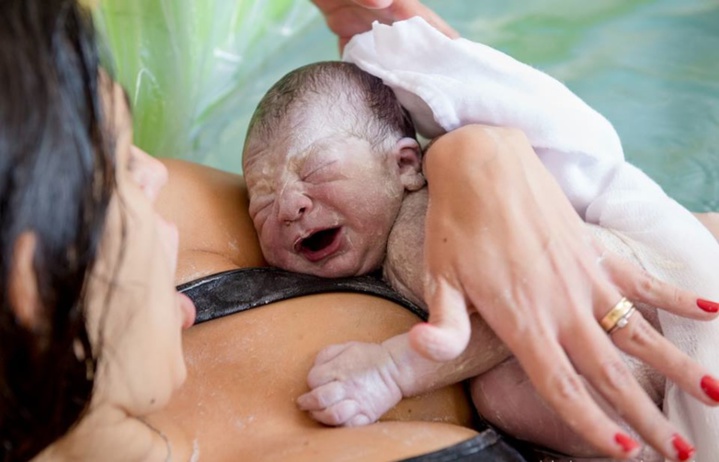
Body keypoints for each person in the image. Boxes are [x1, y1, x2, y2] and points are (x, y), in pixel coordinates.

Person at [241, 60, 719, 460]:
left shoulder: (421, 228)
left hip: (653, 362)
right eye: (261, 200)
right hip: (647, 386)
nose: (288, 206)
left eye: (316, 169)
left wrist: (391, 370)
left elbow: (514, 303)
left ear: (406, 166)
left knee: (498, 391)